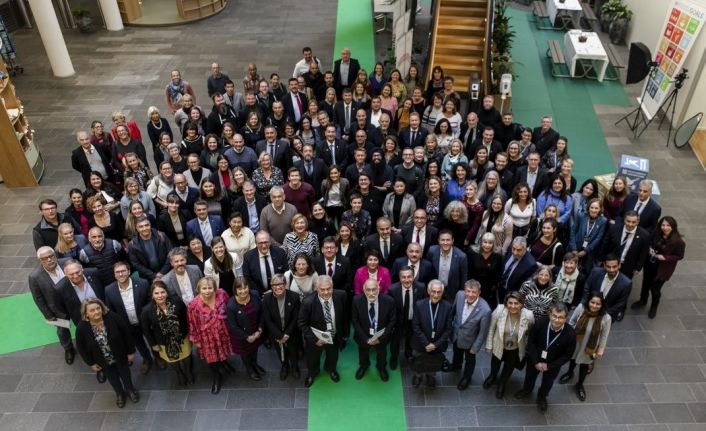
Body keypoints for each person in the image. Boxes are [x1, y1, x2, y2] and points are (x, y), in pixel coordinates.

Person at [75, 298, 138, 408]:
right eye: (92, 310)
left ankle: (130, 390)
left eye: (98, 308)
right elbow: (81, 348)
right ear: (86, 313)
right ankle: (119, 393)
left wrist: (131, 352)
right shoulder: (81, 327)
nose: (96, 312)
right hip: (102, 360)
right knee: (112, 377)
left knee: (125, 374)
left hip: (120, 355)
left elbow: (127, 334)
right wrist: (91, 363)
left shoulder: (113, 317)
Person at [513, 302, 576, 412]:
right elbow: (531, 342)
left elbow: (567, 355)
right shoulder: (540, 323)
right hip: (535, 358)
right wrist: (536, 361)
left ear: (566, 318)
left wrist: (549, 366)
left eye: (560, 317)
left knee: (548, 381)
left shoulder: (570, 334)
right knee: (529, 376)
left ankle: (542, 397)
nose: (556, 320)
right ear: (550, 315)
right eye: (554, 316)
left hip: (553, 364)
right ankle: (527, 390)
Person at [298, 275, 349, 388]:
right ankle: (312, 374)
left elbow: (345, 316)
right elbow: (302, 323)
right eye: (322, 289)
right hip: (315, 339)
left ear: (332, 287)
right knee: (313, 359)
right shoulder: (308, 302)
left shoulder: (341, 295)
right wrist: (315, 339)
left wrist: (345, 335)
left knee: (333, 356)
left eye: (328, 288)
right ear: (316, 288)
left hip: (334, 336)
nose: (326, 292)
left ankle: (331, 369)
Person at [560, 293, 612, 401]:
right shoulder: (581, 308)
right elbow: (572, 321)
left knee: (585, 365)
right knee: (573, 359)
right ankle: (570, 373)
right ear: (588, 301)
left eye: (598, 304)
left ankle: (580, 384)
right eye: (592, 302)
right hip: (576, 342)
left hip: (590, 346)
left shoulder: (606, 318)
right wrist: (571, 335)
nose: (594, 306)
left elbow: (604, 335)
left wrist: (600, 350)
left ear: (602, 305)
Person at [104, 261, 153, 375]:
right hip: (128, 325)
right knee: (139, 344)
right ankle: (147, 360)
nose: (120, 274)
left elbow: (149, 303)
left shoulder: (143, 283)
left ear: (129, 271)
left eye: (123, 271)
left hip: (145, 322)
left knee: (152, 340)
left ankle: (159, 358)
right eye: (117, 272)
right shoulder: (109, 290)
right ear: (114, 274)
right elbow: (111, 311)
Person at [483, 291, 535, 399]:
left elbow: (529, 332)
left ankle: (502, 383)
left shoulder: (528, 316)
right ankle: (492, 376)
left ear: (521, 304)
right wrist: (489, 345)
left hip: (515, 348)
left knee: (509, 367)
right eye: (510, 303)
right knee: (495, 363)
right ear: (506, 303)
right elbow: (492, 328)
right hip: (499, 344)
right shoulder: (499, 310)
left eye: (516, 303)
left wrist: (526, 348)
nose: (513, 306)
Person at [141, 280, 193, 386]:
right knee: (172, 360)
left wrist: (190, 333)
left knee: (186, 356)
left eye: (162, 292)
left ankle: (188, 372)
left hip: (182, 337)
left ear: (167, 292)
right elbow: (146, 329)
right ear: (152, 295)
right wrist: (153, 344)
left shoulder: (177, 301)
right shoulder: (147, 310)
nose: (160, 295)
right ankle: (179, 373)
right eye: (156, 293)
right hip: (164, 342)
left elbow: (186, 317)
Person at [29, 247, 75, 364]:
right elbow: (38, 298)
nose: (49, 260)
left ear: (55, 255)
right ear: (40, 260)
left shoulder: (67, 262)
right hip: (56, 309)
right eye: (45, 258)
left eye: (51, 256)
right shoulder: (34, 277)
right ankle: (68, 349)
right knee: (62, 330)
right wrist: (47, 315)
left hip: (74, 302)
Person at [633, 216, 685, 319]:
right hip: (651, 264)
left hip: (663, 269)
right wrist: (650, 249)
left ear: (673, 226)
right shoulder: (656, 233)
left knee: (655, 289)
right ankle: (643, 300)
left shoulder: (679, 242)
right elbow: (649, 242)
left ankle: (654, 306)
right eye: (663, 225)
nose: (665, 228)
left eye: (668, 225)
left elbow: (679, 256)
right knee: (645, 283)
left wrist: (665, 257)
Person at [188, 277, 233, 394]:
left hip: (223, 332)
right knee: (212, 359)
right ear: (199, 289)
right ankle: (216, 377)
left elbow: (230, 308)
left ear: (215, 288)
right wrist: (196, 340)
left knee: (223, 351)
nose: (207, 291)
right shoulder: (193, 305)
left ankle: (223, 363)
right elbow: (192, 323)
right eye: (204, 288)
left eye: (210, 288)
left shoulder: (222, 294)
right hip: (207, 337)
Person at [445, 280, 492, 390]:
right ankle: (456, 365)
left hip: (470, 341)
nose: (470, 295)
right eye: (468, 291)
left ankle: (467, 377)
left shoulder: (485, 310)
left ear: (479, 292)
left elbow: (483, 332)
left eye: (473, 292)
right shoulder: (459, 295)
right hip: (456, 334)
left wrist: (475, 348)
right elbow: (452, 312)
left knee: (470, 360)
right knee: (456, 351)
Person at [411, 280, 453, 388]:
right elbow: (416, 326)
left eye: (439, 292)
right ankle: (418, 376)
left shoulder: (448, 306)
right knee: (419, 361)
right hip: (421, 342)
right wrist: (426, 343)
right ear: (428, 291)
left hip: (438, 344)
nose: (436, 295)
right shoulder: (419, 305)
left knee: (434, 362)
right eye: (433, 291)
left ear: (442, 293)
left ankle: (431, 376)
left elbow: (448, 329)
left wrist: (435, 345)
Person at [351, 279, 396, 381]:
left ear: (378, 289)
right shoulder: (356, 301)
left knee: (382, 353)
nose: (371, 293)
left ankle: (381, 368)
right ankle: (364, 366)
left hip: (382, 337)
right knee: (363, 352)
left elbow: (392, 321)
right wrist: (365, 338)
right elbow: (355, 321)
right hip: (363, 336)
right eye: (368, 290)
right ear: (364, 290)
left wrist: (381, 338)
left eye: (374, 289)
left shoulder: (389, 301)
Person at [262, 273, 302, 380]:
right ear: (271, 286)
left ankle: (295, 367)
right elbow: (268, 320)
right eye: (275, 285)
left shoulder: (294, 296)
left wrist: (287, 334)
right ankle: (285, 366)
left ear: (285, 284)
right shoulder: (267, 299)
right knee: (280, 352)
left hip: (292, 332)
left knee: (293, 351)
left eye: (281, 284)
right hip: (276, 333)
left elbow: (296, 318)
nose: (278, 287)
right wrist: (280, 335)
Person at [226, 279, 265, 381]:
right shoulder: (231, 305)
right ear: (235, 290)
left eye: (245, 287)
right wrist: (247, 337)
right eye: (240, 289)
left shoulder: (255, 295)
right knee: (246, 354)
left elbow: (262, 312)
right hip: (241, 336)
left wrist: (260, 329)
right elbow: (233, 326)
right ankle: (250, 370)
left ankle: (255, 364)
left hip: (256, 332)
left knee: (255, 350)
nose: (243, 291)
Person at [582, 254, 632, 322]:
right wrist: (584, 304)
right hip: (589, 309)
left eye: (614, 266)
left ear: (619, 265)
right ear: (604, 265)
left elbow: (620, 304)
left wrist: (603, 315)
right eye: (608, 267)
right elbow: (587, 288)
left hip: (606, 316)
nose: (611, 270)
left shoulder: (626, 283)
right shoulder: (595, 272)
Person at [128, 216, 172, 284]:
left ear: (150, 225)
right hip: (148, 278)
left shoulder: (161, 236)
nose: (144, 228)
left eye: (147, 225)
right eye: (141, 227)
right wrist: (154, 275)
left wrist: (162, 272)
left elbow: (171, 253)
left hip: (166, 273)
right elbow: (136, 264)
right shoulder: (132, 245)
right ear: (136, 228)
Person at [428, 230, 469, 301]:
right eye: (443, 240)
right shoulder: (432, 251)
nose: (445, 243)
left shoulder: (461, 256)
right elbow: (428, 270)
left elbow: (463, 278)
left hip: (451, 293)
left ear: (452, 241)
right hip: (434, 291)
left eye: (448, 240)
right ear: (438, 241)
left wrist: (461, 296)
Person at [467, 233, 504, 309]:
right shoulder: (473, 253)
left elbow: (499, 274)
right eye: (485, 242)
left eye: (490, 243)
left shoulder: (498, 256)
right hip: (474, 288)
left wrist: (494, 287)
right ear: (481, 242)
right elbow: (469, 272)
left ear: (493, 244)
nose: (487, 245)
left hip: (489, 291)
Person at [569, 198, 607, 271]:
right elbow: (573, 231)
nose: (593, 210)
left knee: (586, 271)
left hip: (590, 251)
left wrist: (586, 251)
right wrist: (574, 248)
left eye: (596, 208)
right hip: (575, 247)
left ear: (600, 209)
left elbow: (598, 238)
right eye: (591, 207)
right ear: (588, 208)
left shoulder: (603, 220)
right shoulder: (581, 216)